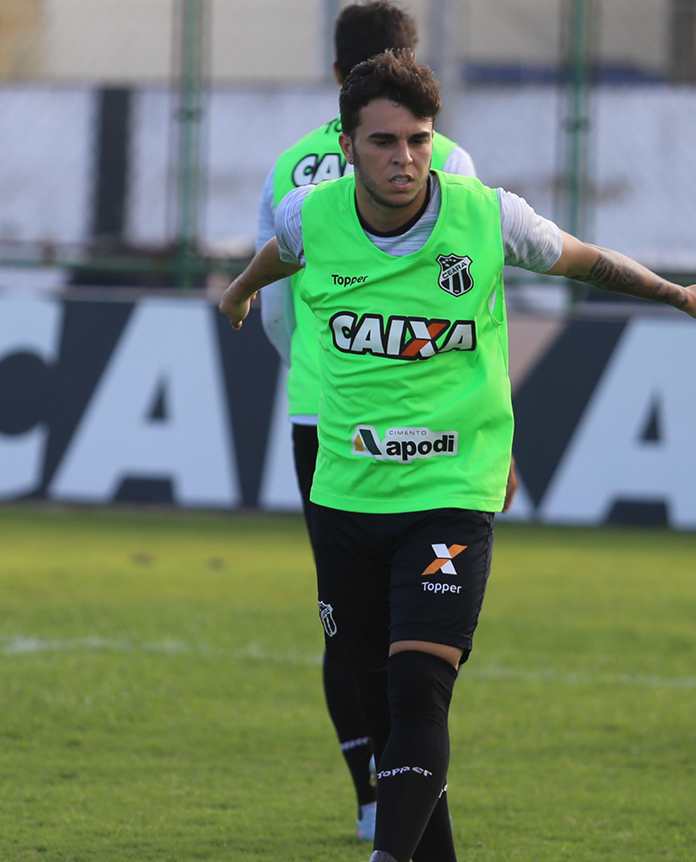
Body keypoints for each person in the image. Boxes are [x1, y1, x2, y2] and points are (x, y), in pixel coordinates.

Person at [222, 49, 696, 862]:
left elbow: (585, 260)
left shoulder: (487, 217)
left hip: (451, 488)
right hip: (347, 494)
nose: (405, 159)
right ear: (349, 145)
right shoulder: (308, 215)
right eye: (386, 142)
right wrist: (236, 291)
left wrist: (682, 295)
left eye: (419, 141)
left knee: (421, 684)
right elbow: (278, 256)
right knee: (380, 699)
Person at [254, 0, 479, 843]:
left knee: (344, 618)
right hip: (428, 424)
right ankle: (401, 804)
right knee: (417, 632)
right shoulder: (444, 156)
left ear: (333, 70)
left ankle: (370, 796)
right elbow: (474, 302)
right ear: (413, 64)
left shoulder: (289, 166)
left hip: (320, 414)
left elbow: (275, 303)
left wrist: (316, 371)